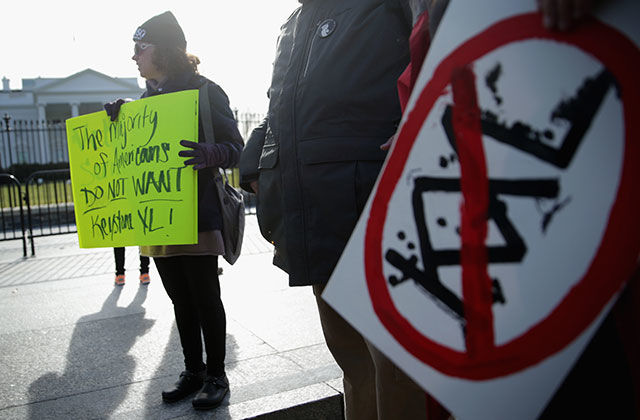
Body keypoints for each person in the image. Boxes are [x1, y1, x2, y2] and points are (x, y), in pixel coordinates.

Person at [239, 1, 438, 418]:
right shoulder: (293, 23)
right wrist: (257, 153)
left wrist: (426, 118)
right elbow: (282, 105)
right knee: (351, 359)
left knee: (395, 364)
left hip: (377, 210)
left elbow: (440, 46)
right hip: (317, 214)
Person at [105, 11, 243, 411]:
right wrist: (122, 118)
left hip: (197, 216)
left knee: (205, 297)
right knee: (180, 300)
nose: (134, 58)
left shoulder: (206, 91)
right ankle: (193, 371)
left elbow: (236, 148)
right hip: (159, 220)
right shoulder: (147, 101)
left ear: (162, 51)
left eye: (140, 49)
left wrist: (210, 153)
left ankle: (216, 375)